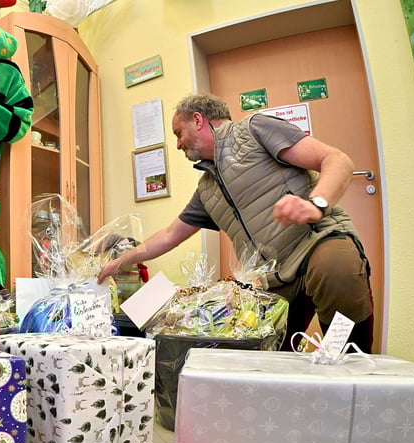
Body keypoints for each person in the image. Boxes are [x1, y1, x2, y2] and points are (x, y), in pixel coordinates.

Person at [99, 93, 373, 351]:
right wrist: (121, 261)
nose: (178, 144)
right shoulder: (207, 189)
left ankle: (356, 368)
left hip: (315, 241)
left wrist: (316, 204)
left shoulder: (255, 129)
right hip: (273, 276)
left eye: (178, 133)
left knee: (338, 271)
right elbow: (171, 233)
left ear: (197, 119)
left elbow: (337, 160)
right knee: (262, 342)